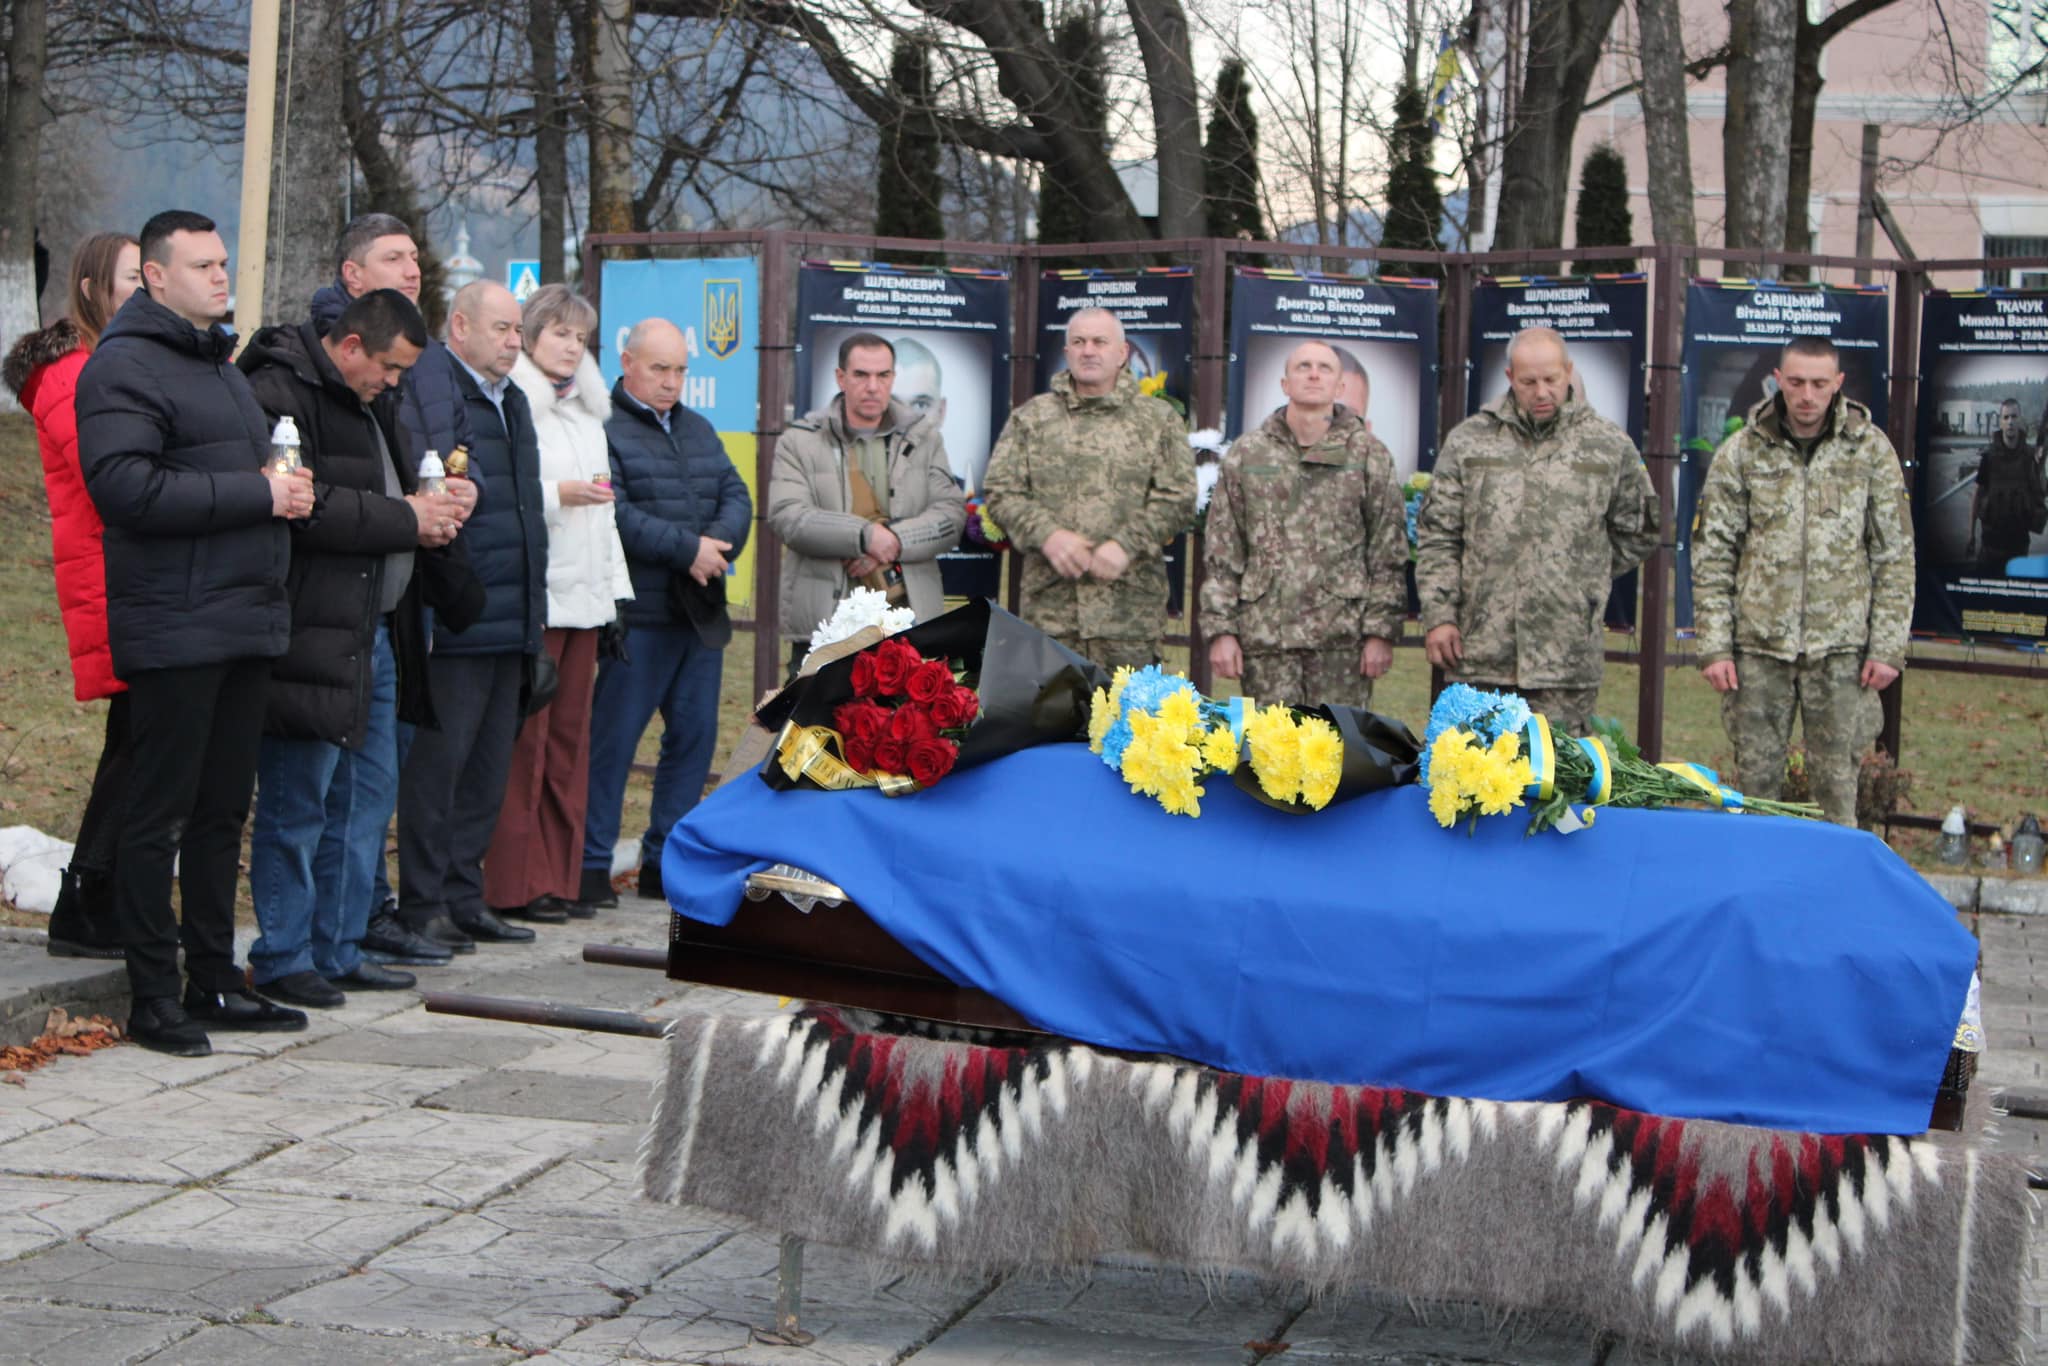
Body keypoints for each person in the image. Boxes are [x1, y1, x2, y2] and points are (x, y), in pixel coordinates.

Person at [75, 209, 313, 1055]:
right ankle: (153, 995)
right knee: (160, 816)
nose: (222, 276)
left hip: (243, 616)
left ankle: (213, 978)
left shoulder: (219, 365)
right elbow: (126, 491)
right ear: (157, 278)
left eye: (224, 263)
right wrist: (260, 494)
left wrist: (285, 492)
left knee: (221, 814)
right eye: (205, 266)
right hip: (175, 624)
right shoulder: (123, 366)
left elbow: (238, 475)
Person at [238, 289, 481, 1007]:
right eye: (390, 368)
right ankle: (284, 953)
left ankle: (339, 945)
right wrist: (406, 516)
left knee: (363, 805)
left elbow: (388, 491)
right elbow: (308, 509)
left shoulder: (374, 399)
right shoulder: (280, 392)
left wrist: (436, 505)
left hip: (376, 630)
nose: (397, 382)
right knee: (298, 803)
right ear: (350, 348)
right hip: (311, 631)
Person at [312, 211, 473, 970]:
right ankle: (325, 938)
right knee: (331, 790)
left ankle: (358, 925)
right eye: (392, 257)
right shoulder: (320, 364)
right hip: (339, 604)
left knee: (374, 783)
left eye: (416, 256)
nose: (412, 269)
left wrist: (443, 498)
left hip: (398, 594)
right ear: (352, 276)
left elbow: (414, 460)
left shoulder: (422, 366)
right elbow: (333, 491)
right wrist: (407, 510)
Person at [1692, 335, 1914, 827]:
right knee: (1754, 791)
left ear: (1838, 384)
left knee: (1837, 791)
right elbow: (1712, 555)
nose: (1807, 395)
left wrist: (1887, 646)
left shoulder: (1869, 451)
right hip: (1758, 651)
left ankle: (1835, 895)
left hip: (1841, 653)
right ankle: (1754, 890)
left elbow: (1894, 554)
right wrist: (1715, 646)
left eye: (1818, 384)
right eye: (1796, 383)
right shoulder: (1742, 452)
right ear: (1778, 380)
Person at [396, 280, 549, 951]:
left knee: (488, 770)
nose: (514, 343)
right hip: (461, 613)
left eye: (518, 331)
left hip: (511, 615)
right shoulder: (438, 395)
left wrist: (534, 623)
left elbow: (527, 518)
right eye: (502, 330)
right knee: (439, 769)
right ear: (459, 327)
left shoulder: (514, 401)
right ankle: (422, 900)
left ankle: (465, 893)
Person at [2, 231, 142, 960]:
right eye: (130, 279)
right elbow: (108, 475)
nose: (143, 290)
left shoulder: (109, 369)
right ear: (93, 289)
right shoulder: (73, 376)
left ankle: (96, 901)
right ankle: (86, 901)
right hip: (109, 576)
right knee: (134, 744)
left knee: (137, 742)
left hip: (125, 572)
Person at [1415, 326, 1659, 736]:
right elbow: (1439, 534)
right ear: (1510, 377)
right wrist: (1440, 616)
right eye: (1529, 382)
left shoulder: (1607, 444)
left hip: (1565, 658)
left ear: (1568, 372)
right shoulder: (1470, 442)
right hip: (1480, 652)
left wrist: (1580, 571)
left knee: (1555, 785)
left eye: (1551, 379)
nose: (1541, 391)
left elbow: (1641, 530)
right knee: (1476, 781)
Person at [582, 318, 751, 907]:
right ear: (627, 362)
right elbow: (616, 513)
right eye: (660, 368)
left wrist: (718, 545)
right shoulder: (600, 426)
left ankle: (663, 864)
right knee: (613, 745)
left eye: (681, 369)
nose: (672, 381)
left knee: (692, 745)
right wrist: (689, 551)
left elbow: (736, 494)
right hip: (639, 619)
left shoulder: (699, 428)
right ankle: (590, 866)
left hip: (697, 617)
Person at [485, 285, 630, 924]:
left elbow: (607, 518)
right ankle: (515, 883)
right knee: (528, 746)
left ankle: (561, 878)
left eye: (580, 337)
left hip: (587, 600)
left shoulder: (587, 413)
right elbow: (503, 492)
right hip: (539, 598)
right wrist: (557, 494)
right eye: (560, 333)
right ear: (530, 335)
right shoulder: (517, 403)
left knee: (570, 744)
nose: (571, 347)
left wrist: (615, 596)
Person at [983, 307, 1195, 669]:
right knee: (1053, 724)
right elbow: (1001, 491)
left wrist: (1126, 544)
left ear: (1122, 353)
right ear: (1067, 354)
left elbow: (1179, 497)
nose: (1088, 350)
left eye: (1100, 342)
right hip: (1051, 614)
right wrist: (1048, 535)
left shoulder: (1157, 421)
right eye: (1078, 342)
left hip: (1129, 615)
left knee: (1129, 723)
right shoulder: (1032, 418)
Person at [1202, 340, 1407, 707]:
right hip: (1266, 641)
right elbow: (1223, 550)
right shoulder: (1248, 454)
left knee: (1337, 756)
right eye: (1303, 367)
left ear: (1340, 387)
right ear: (1285, 385)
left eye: (1325, 368)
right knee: (1270, 755)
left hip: (1343, 643)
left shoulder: (1368, 454)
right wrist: (1221, 631)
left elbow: (1387, 551)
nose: (1313, 374)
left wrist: (1380, 633)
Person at [768, 331, 964, 671]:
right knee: (819, 725)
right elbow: (789, 517)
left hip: (908, 622)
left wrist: (894, 540)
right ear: (840, 378)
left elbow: (950, 515)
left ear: (892, 378)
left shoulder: (924, 437)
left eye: (882, 375)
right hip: (825, 628)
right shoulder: (799, 441)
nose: (872, 386)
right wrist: (863, 536)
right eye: (861, 375)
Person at [1967, 397, 2046, 576]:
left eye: (2014, 417)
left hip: (2018, 546)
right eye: (2006, 417)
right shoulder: (1989, 457)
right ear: (2000, 422)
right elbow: (1976, 495)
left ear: (2020, 420)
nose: (2010, 422)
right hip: (1990, 545)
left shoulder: (2029, 458)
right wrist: (1970, 535)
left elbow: (2039, 494)